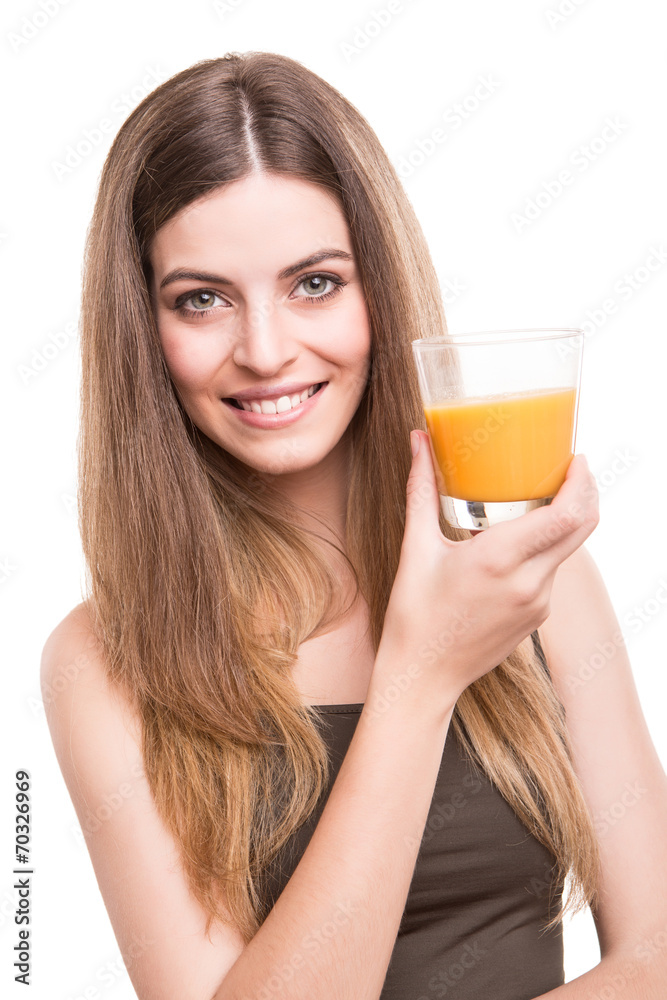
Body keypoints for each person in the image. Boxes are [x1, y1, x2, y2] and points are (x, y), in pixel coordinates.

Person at [41, 51, 667, 999]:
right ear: (142, 330)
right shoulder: (102, 661)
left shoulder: (527, 576)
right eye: (201, 299)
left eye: (315, 283)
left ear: (378, 286)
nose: (264, 350)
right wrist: (419, 676)